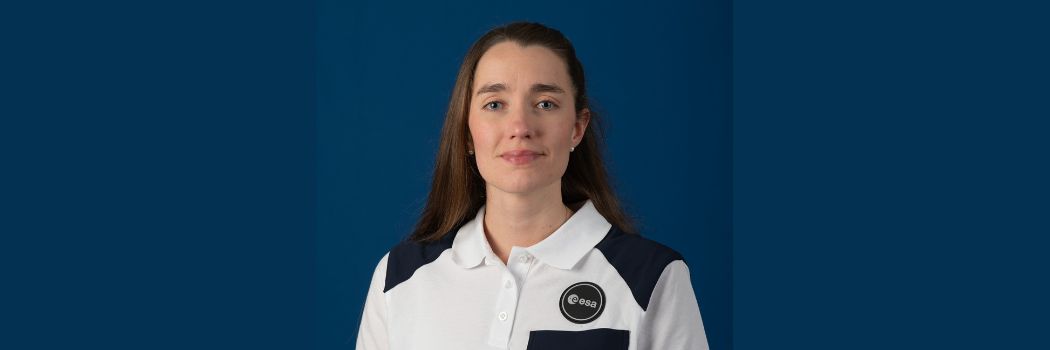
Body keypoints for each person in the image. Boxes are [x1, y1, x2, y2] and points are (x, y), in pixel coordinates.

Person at [355, 22, 708, 350]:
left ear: (577, 128)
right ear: (466, 131)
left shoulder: (650, 278)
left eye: (545, 104)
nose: (520, 126)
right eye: (495, 104)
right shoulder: (399, 278)